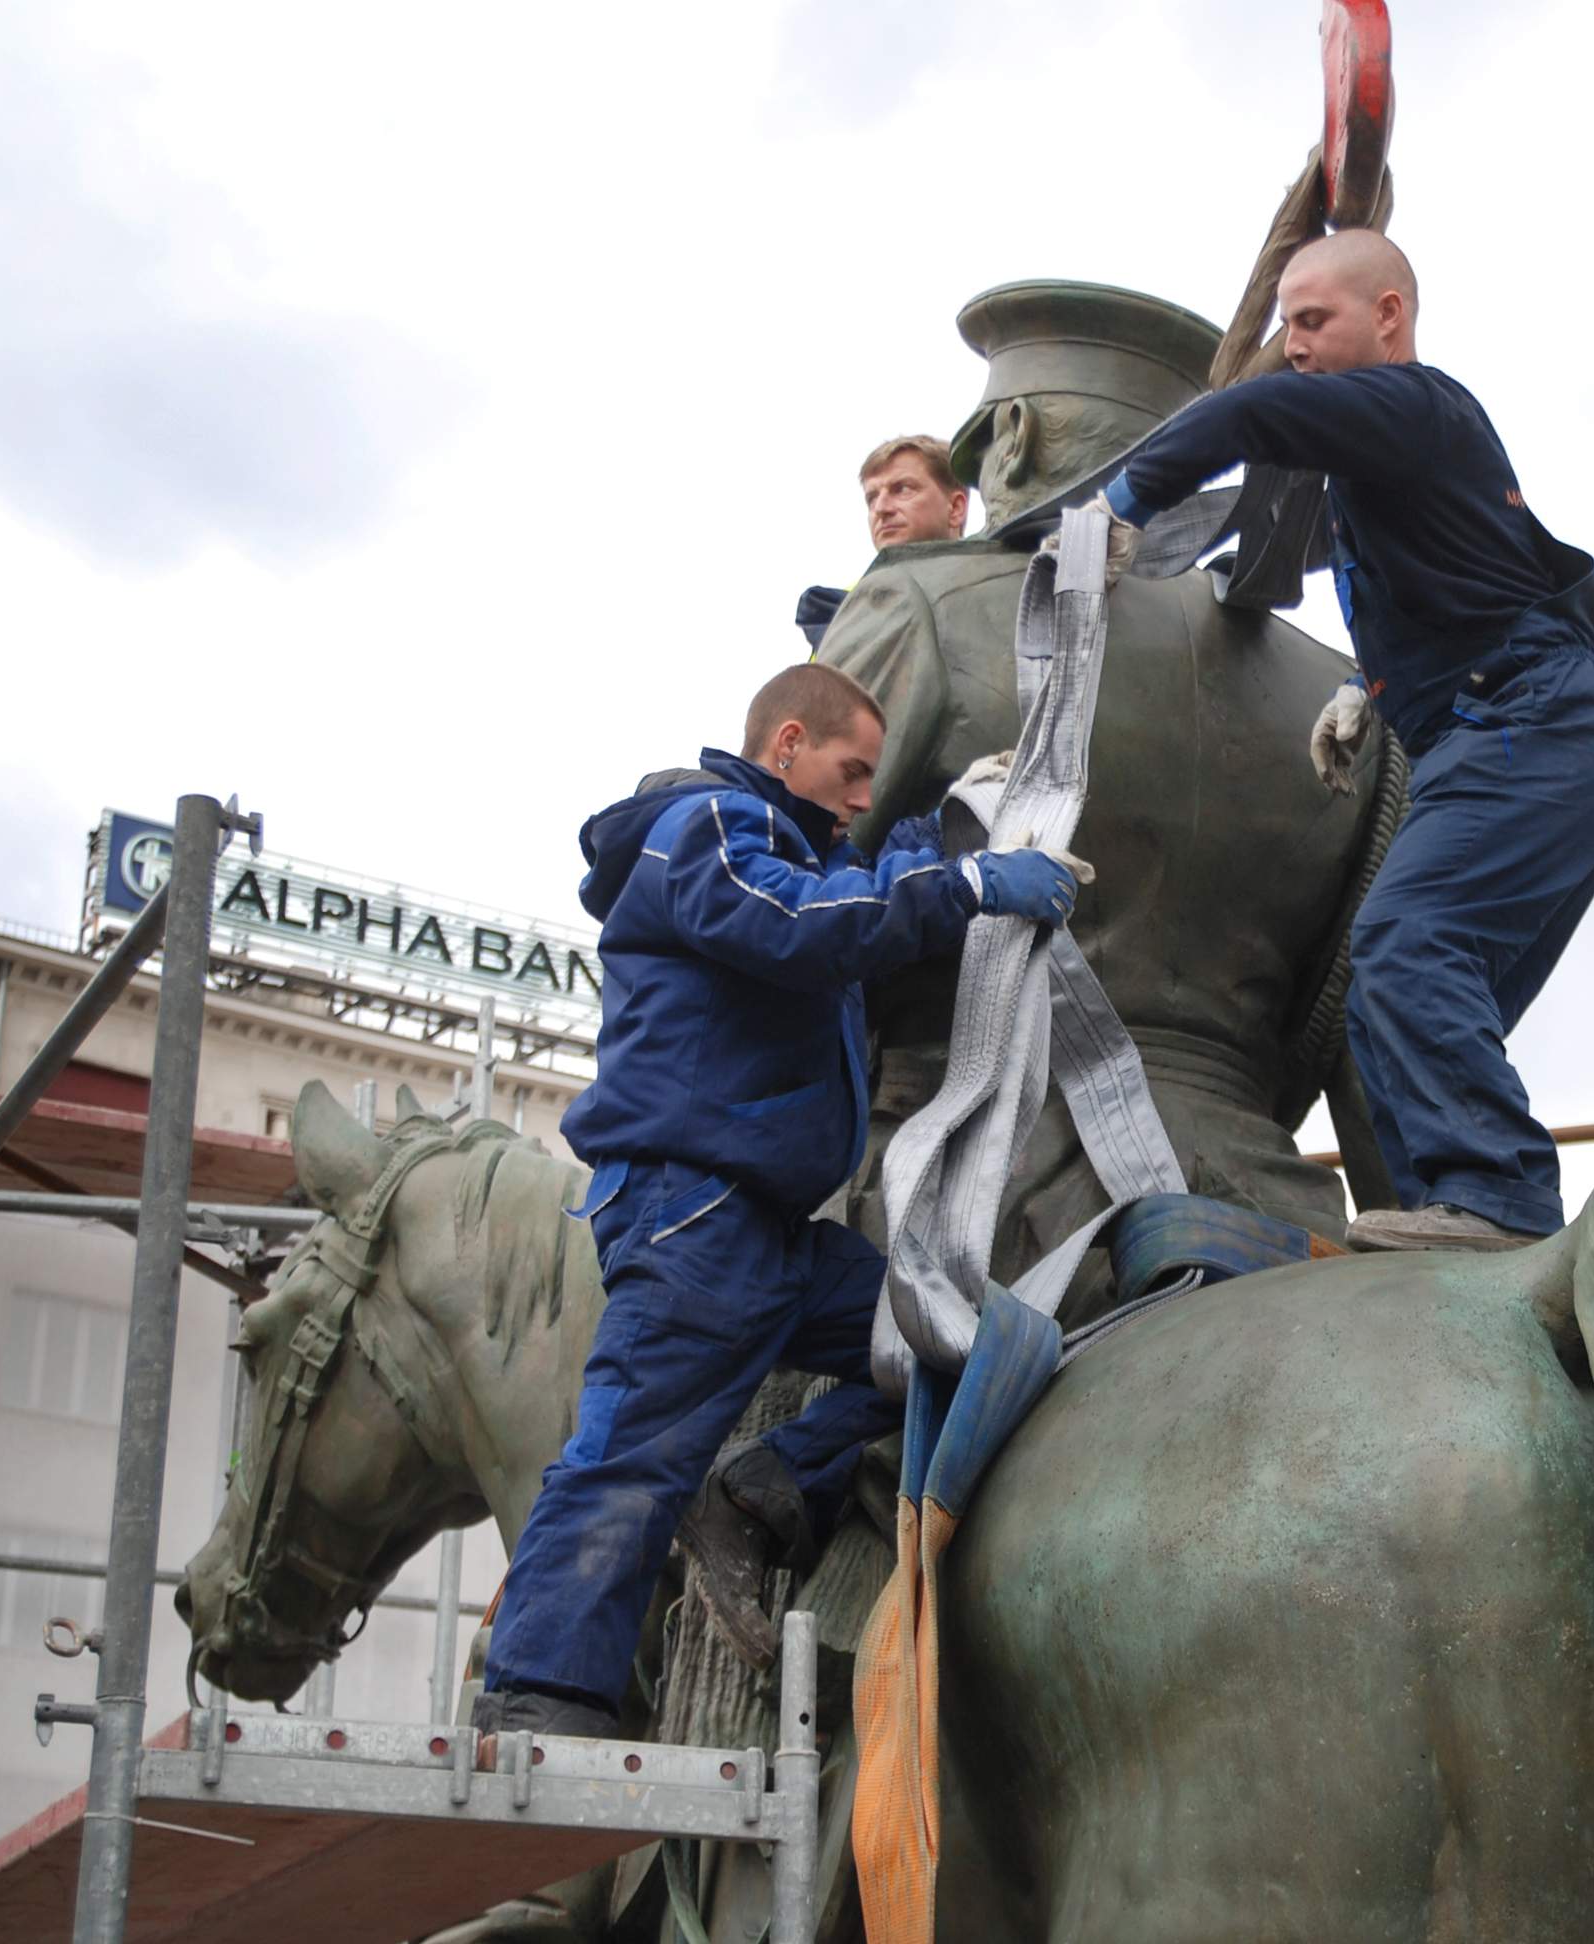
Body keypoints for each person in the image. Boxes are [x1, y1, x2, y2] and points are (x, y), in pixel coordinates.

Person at [475, 664, 1078, 1739]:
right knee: (633, 1453)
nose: (859, 794)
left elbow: (840, 892)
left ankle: (758, 1492)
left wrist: (944, 833)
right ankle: (538, 1703)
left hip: (771, 1236)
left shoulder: (790, 852)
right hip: (696, 1213)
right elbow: (799, 924)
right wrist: (970, 885)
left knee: (955, 1344)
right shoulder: (699, 827)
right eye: (852, 771)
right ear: (787, 740)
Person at [818, 280, 1377, 1300]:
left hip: (957, 1210)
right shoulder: (1336, 689)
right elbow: (1356, 1023)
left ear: (1015, 435)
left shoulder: (920, 604)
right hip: (1267, 1213)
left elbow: (799, 908)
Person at [1096, 231, 1594, 1253]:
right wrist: (1367, 687)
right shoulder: (1383, 467)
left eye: (1313, 321)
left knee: (1407, 942)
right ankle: (1438, 1217)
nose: (1293, 346)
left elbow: (1253, 410)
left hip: (1533, 725)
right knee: (1397, 1004)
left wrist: (1123, 501)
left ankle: (1496, 1203)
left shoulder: (1415, 406)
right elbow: (1468, 581)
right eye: (1287, 325)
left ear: (1387, 315)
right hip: (1500, 731)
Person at [796, 436, 976, 650]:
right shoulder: (836, 614)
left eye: (902, 489)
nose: (881, 508)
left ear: (955, 508)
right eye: (871, 498)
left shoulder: (1000, 589)